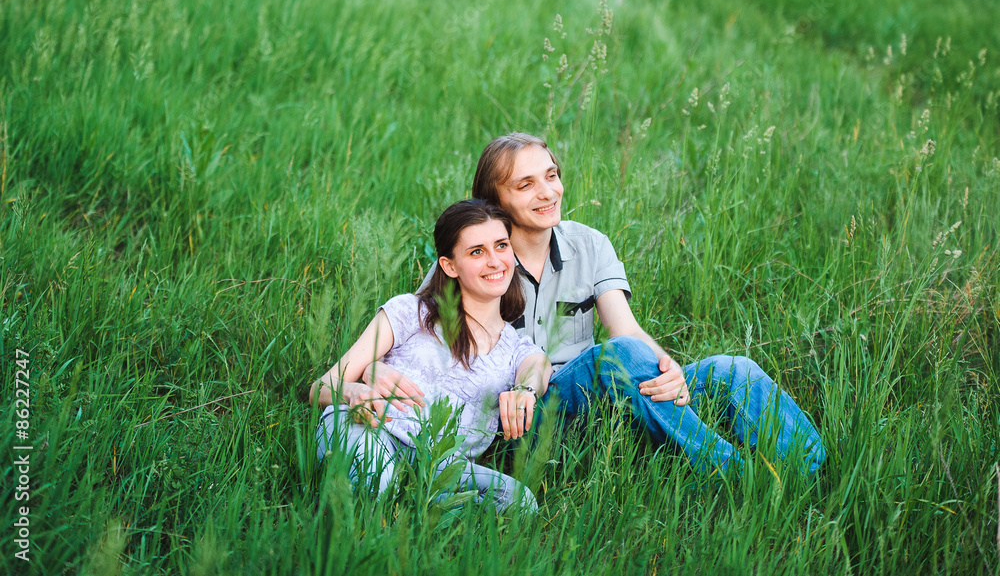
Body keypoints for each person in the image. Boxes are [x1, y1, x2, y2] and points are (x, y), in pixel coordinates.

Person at [370, 133, 826, 477]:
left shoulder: (588, 244)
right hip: (518, 420)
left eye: (551, 176)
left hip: (602, 394)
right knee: (620, 360)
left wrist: (667, 368)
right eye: (525, 184)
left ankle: (811, 471)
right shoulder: (475, 262)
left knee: (733, 370)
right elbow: (419, 349)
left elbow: (625, 331)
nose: (547, 192)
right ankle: (736, 479)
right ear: (495, 201)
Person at [310, 199, 551, 512]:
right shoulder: (411, 312)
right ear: (450, 266)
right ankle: (390, 505)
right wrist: (354, 391)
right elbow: (321, 387)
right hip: (372, 431)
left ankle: (414, 504)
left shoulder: (517, 347)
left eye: (501, 246)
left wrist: (524, 390)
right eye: (477, 251)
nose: (495, 261)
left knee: (521, 503)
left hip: (441, 465)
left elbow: (538, 366)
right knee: (375, 479)